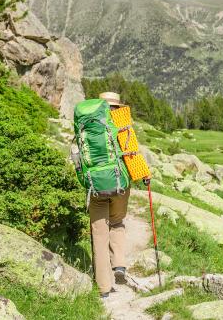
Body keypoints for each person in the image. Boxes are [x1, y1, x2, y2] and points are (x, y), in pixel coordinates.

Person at [90, 91, 149, 298]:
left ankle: (103, 288)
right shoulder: (122, 123)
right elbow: (132, 154)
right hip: (120, 185)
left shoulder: (88, 124)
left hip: (95, 186)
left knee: (99, 233)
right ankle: (119, 265)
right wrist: (144, 176)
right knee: (117, 222)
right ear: (117, 106)